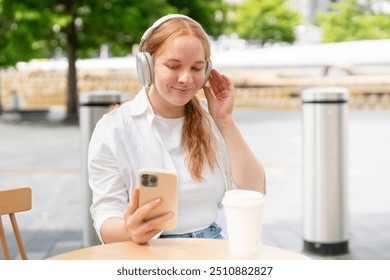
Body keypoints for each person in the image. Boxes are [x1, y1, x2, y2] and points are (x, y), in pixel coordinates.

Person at [88, 14, 266, 245]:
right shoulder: (115, 128)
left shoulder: (212, 119)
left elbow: (254, 191)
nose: (186, 78)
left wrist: (224, 120)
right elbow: (105, 213)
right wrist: (129, 231)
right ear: (146, 66)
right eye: (173, 66)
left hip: (211, 245)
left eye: (196, 68)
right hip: (146, 250)